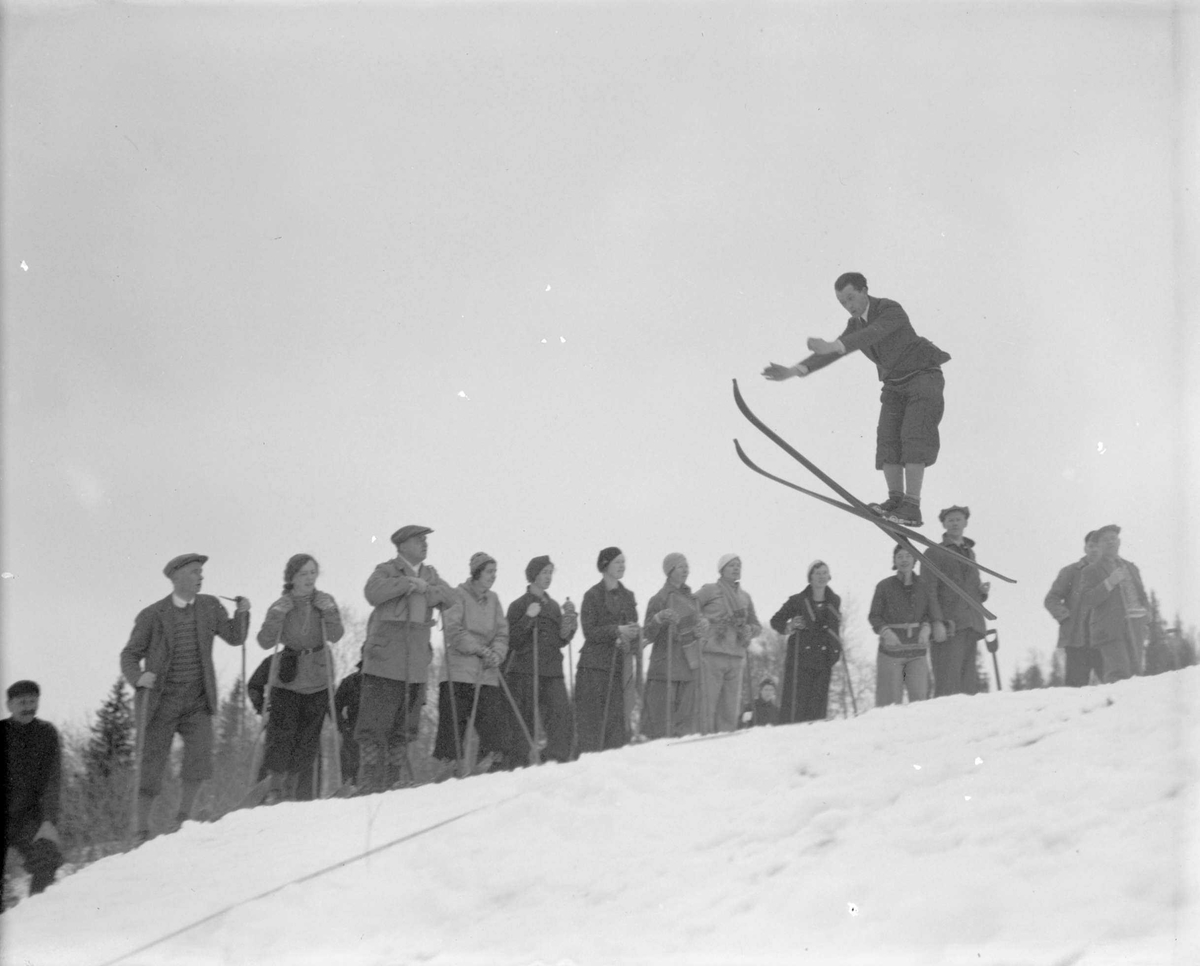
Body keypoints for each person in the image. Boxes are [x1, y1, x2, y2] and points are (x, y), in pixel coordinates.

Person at [762, 272, 951, 527]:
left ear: (864, 291)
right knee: (887, 440)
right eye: (842, 302)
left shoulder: (889, 309)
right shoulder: (854, 325)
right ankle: (895, 500)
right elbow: (835, 351)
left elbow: (871, 335)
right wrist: (792, 371)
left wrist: (834, 345)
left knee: (914, 436)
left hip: (922, 377)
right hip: (894, 385)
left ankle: (912, 506)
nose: (849, 306)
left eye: (851, 298)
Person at [120, 554, 250, 842]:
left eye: (201, 572)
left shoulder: (210, 606)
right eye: (194, 572)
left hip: (197, 701)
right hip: (161, 702)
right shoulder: (153, 615)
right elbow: (130, 654)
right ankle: (142, 828)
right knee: (151, 763)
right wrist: (138, 677)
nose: (200, 577)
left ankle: (183, 819)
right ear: (176, 577)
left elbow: (234, 637)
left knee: (199, 759)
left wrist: (242, 613)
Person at [356, 525, 455, 794]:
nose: (425, 544)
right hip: (386, 661)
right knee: (375, 727)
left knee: (404, 728)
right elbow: (372, 593)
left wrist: (426, 589)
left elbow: (450, 597)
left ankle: (392, 779)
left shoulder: (430, 574)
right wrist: (408, 584)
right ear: (402, 546)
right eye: (418, 540)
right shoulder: (386, 570)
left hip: (415, 663)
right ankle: (368, 782)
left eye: (425, 540)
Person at [255, 554, 344, 802]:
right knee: (281, 735)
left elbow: (336, 635)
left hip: (317, 676)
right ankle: (275, 788)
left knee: (308, 738)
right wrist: (277, 615)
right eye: (303, 574)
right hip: (289, 678)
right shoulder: (281, 605)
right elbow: (264, 641)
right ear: (292, 577)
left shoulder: (325, 602)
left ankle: (293, 790)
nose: (309, 578)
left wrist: (329, 611)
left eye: (313, 573)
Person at [434, 553, 511, 774]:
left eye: (495, 572)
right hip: (458, 670)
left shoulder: (494, 600)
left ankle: (488, 761)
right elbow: (453, 630)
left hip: (486, 672)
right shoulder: (458, 595)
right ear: (477, 573)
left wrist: (497, 653)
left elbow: (501, 633)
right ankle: (450, 766)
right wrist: (479, 649)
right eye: (489, 572)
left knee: (492, 720)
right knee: (454, 721)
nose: (493, 577)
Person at [503, 556, 578, 764]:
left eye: (550, 573)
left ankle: (555, 760)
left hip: (552, 670)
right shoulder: (518, 605)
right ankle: (518, 766)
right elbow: (513, 640)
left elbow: (559, 641)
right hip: (525, 670)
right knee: (523, 722)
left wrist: (568, 630)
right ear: (533, 575)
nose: (548, 577)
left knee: (560, 716)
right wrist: (528, 617)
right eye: (544, 572)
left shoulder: (554, 606)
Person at [576, 547, 640, 753]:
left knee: (616, 720)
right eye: (617, 562)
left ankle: (614, 765)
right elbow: (589, 631)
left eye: (624, 561)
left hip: (619, 667)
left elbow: (633, 624)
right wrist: (616, 631)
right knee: (593, 721)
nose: (622, 565)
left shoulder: (628, 595)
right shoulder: (592, 595)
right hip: (594, 667)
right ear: (605, 565)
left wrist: (631, 633)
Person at [923, 506, 990, 697]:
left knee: (968, 686)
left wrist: (982, 593)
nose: (954, 523)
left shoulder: (970, 553)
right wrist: (937, 622)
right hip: (949, 626)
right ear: (943, 524)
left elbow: (970, 587)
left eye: (958, 519)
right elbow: (929, 591)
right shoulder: (934, 552)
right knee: (948, 685)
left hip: (971, 623)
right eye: (950, 520)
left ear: (965, 523)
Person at [3, 681, 62, 897]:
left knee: (47, 856)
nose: (28, 707)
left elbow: (52, 780)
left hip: (29, 818)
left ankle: (37, 911)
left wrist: (48, 821)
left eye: (32, 701)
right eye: (22, 702)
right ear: (9, 705)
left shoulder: (46, 733)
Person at [642, 553, 706, 740]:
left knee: (685, 724)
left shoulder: (693, 600)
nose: (686, 570)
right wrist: (659, 619)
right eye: (681, 566)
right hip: (665, 667)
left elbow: (695, 630)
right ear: (670, 571)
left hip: (689, 664)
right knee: (661, 725)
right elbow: (647, 634)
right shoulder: (659, 598)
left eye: (687, 566)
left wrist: (702, 628)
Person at [869, 544, 944, 707]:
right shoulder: (884, 586)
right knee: (888, 704)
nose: (904, 560)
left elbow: (931, 613)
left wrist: (926, 628)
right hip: (891, 652)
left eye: (908, 556)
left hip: (917, 651)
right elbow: (874, 616)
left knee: (919, 703)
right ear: (894, 561)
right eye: (900, 556)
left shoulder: (924, 585)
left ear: (915, 560)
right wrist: (886, 632)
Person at [769, 560, 843, 723]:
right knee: (797, 704)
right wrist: (790, 626)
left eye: (825, 573)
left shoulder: (835, 601)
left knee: (818, 704)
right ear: (810, 578)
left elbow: (834, 628)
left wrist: (835, 651)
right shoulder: (797, 600)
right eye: (817, 573)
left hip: (824, 659)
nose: (821, 577)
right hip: (799, 658)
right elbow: (776, 621)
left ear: (829, 576)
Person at [696, 554, 762, 734]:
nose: (736, 568)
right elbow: (690, 606)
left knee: (730, 705)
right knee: (707, 703)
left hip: (736, 654)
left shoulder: (745, 597)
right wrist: (702, 620)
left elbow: (756, 625)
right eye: (731, 565)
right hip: (712, 653)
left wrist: (750, 629)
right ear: (721, 569)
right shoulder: (710, 590)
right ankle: (703, 738)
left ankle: (726, 739)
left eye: (738, 565)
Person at [1081, 525, 1149, 683]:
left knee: (1136, 672)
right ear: (1099, 546)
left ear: (1119, 542)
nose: (1111, 542)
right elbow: (1087, 599)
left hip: (1135, 625)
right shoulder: (1091, 570)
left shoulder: (1131, 567)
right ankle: (1115, 705)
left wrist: (1146, 614)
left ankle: (1133, 707)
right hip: (1110, 628)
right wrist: (1109, 583)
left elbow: (1142, 595)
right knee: (1119, 672)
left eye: (1113, 538)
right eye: (1106, 540)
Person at [1044, 531, 1103, 687]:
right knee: (1075, 691)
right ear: (1085, 548)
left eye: (1098, 546)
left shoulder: (1110, 573)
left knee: (1115, 688)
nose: (1094, 550)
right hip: (1078, 641)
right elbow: (1051, 599)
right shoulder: (1071, 572)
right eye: (1091, 546)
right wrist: (1066, 618)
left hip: (1105, 640)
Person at [333, 660, 363, 785]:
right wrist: (342, 725)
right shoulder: (351, 682)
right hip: (353, 727)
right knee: (349, 757)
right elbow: (334, 706)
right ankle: (350, 784)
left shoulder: (384, 682)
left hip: (379, 729)